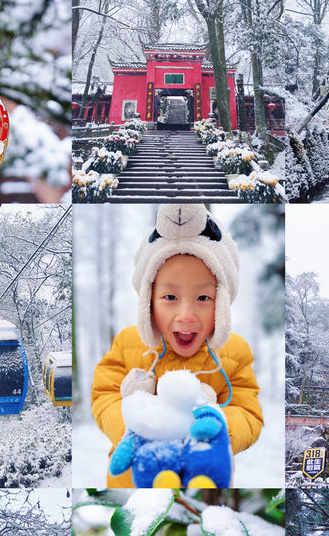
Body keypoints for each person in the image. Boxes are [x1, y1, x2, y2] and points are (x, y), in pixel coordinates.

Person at [91, 204, 263, 488]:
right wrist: (142, 423)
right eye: (170, 296)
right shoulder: (128, 342)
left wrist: (217, 426)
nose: (185, 314)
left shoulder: (235, 351)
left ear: (221, 304)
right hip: (133, 483)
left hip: (202, 482)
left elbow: (248, 412)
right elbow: (104, 395)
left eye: (203, 298)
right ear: (148, 299)